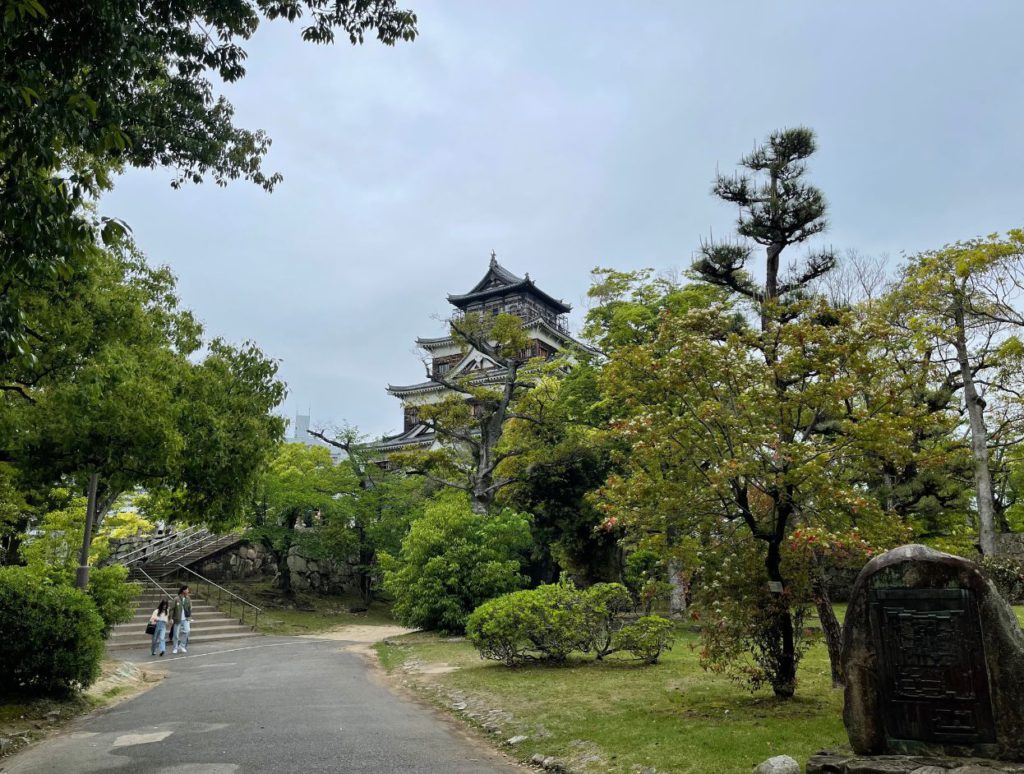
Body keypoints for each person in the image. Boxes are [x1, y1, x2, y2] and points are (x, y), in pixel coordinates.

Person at [171, 585, 192, 654]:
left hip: (185, 619)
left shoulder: (188, 598)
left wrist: (189, 616)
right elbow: (171, 609)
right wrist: (171, 618)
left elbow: (189, 608)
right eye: (187, 590)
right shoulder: (176, 599)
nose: (188, 591)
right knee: (176, 634)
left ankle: (182, 646)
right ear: (183, 591)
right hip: (177, 619)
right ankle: (175, 648)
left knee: (187, 631)